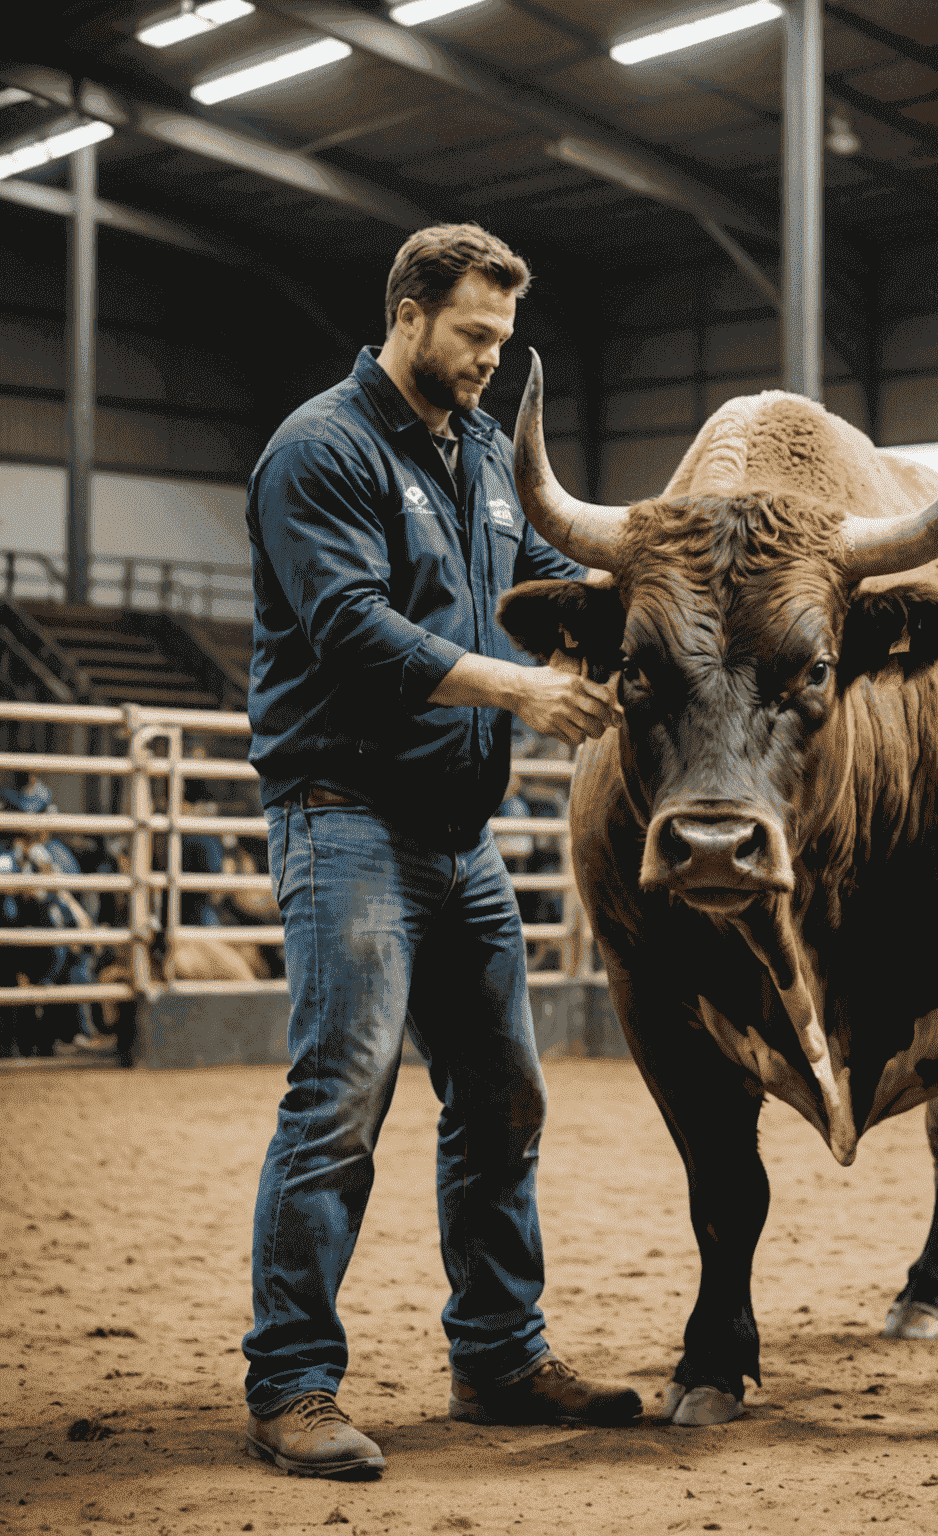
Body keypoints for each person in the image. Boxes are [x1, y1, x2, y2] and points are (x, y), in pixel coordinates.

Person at [242, 223, 635, 1480]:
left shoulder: (475, 451)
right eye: (475, 336)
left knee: (504, 1095)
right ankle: (293, 1382)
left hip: (453, 838)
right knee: (342, 1099)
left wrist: (657, 599)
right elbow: (353, 630)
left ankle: (499, 1356)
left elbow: (534, 567)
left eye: (504, 342)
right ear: (409, 314)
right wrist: (519, 694)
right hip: (342, 816)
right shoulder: (321, 450)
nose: (489, 360)